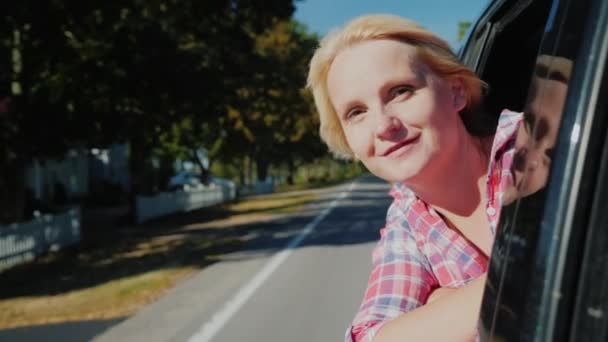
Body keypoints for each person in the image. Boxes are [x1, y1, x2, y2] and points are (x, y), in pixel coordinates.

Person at [306, 14, 523, 342]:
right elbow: (368, 337)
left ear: (456, 92)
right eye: (356, 112)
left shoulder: (532, 147)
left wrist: (445, 303)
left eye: (400, 91)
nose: (383, 126)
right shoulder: (408, 221)